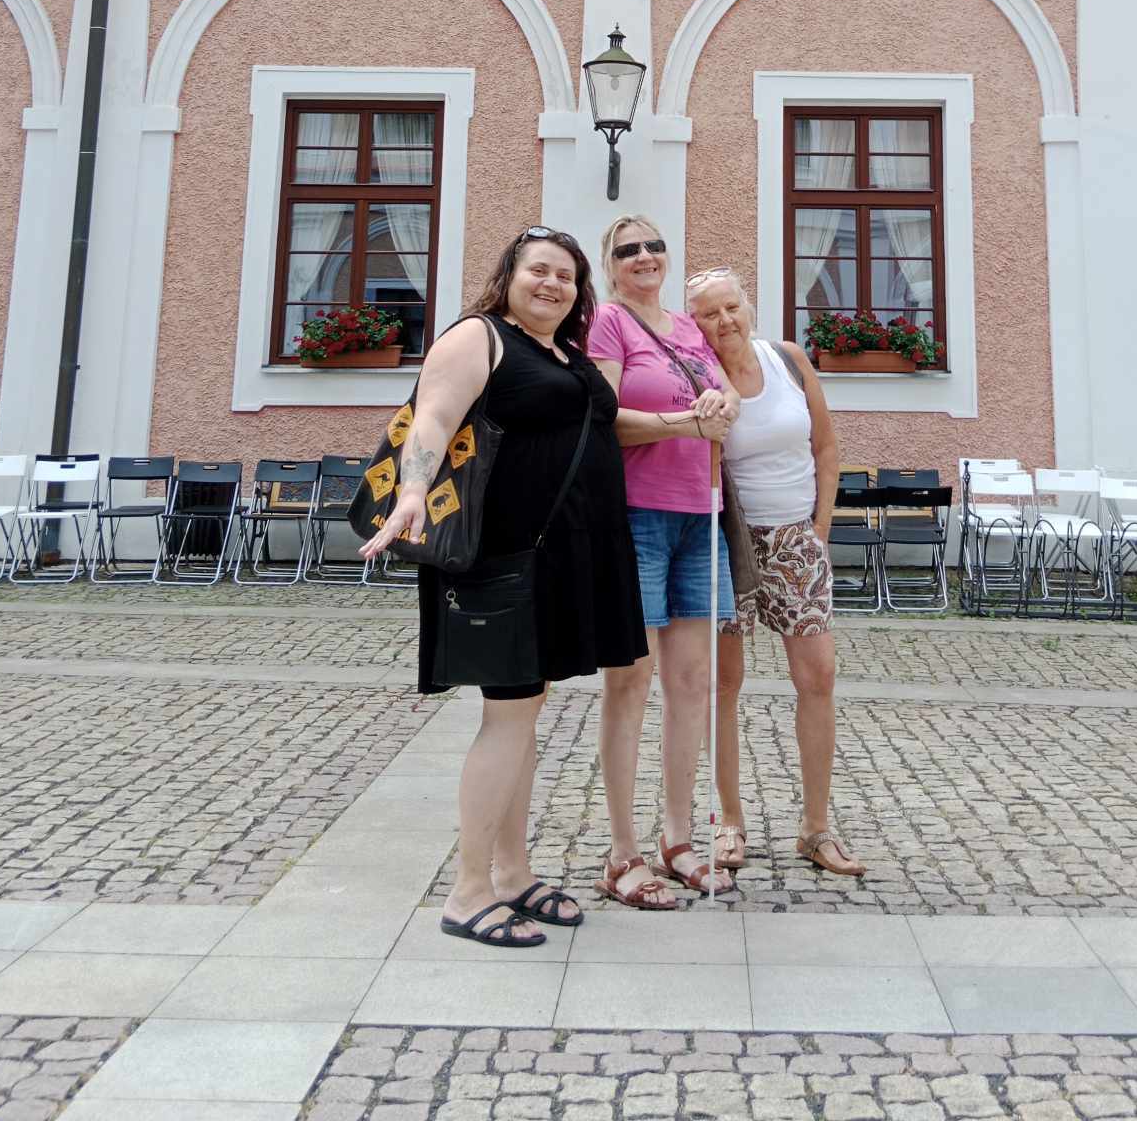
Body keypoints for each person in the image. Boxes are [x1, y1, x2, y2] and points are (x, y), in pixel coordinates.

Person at [359, 226, 647, 950]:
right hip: (506, 555)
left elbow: (602, 424)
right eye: (538, 270)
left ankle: (513, 873)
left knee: (525, 710)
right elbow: (433, 417)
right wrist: (413, 492)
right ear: (508, 276)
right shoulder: (478, 336)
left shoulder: (562, 352)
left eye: (566, 276)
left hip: (563, 554)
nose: (552, 284)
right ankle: (468, 891)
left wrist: (684, 424)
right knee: (509, 715)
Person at [685, 267, 867, 879]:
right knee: (723, 683)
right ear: (694, 324)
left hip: (796, 536)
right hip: (729, 540)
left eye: (731, 307)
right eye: (709, 314)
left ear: (748, 307)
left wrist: (819, 529)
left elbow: (826, 447)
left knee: (817, 676)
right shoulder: (696, 374)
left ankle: (815, 828)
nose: (724, 321)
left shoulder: (787, 359)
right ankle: (729, 822)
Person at [589, 214, 739, 908]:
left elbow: (728, 398)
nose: (644, 256)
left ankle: (679, 839)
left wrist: (722, 401)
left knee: (692, 684)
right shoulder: (608, 323)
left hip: (700, 518)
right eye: (629, 249)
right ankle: (623, 852)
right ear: (611, 264)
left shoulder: (687, 328)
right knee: (630, 681)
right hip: (638, 517)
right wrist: (687, 422)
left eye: (653, 245)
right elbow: (606, 418)